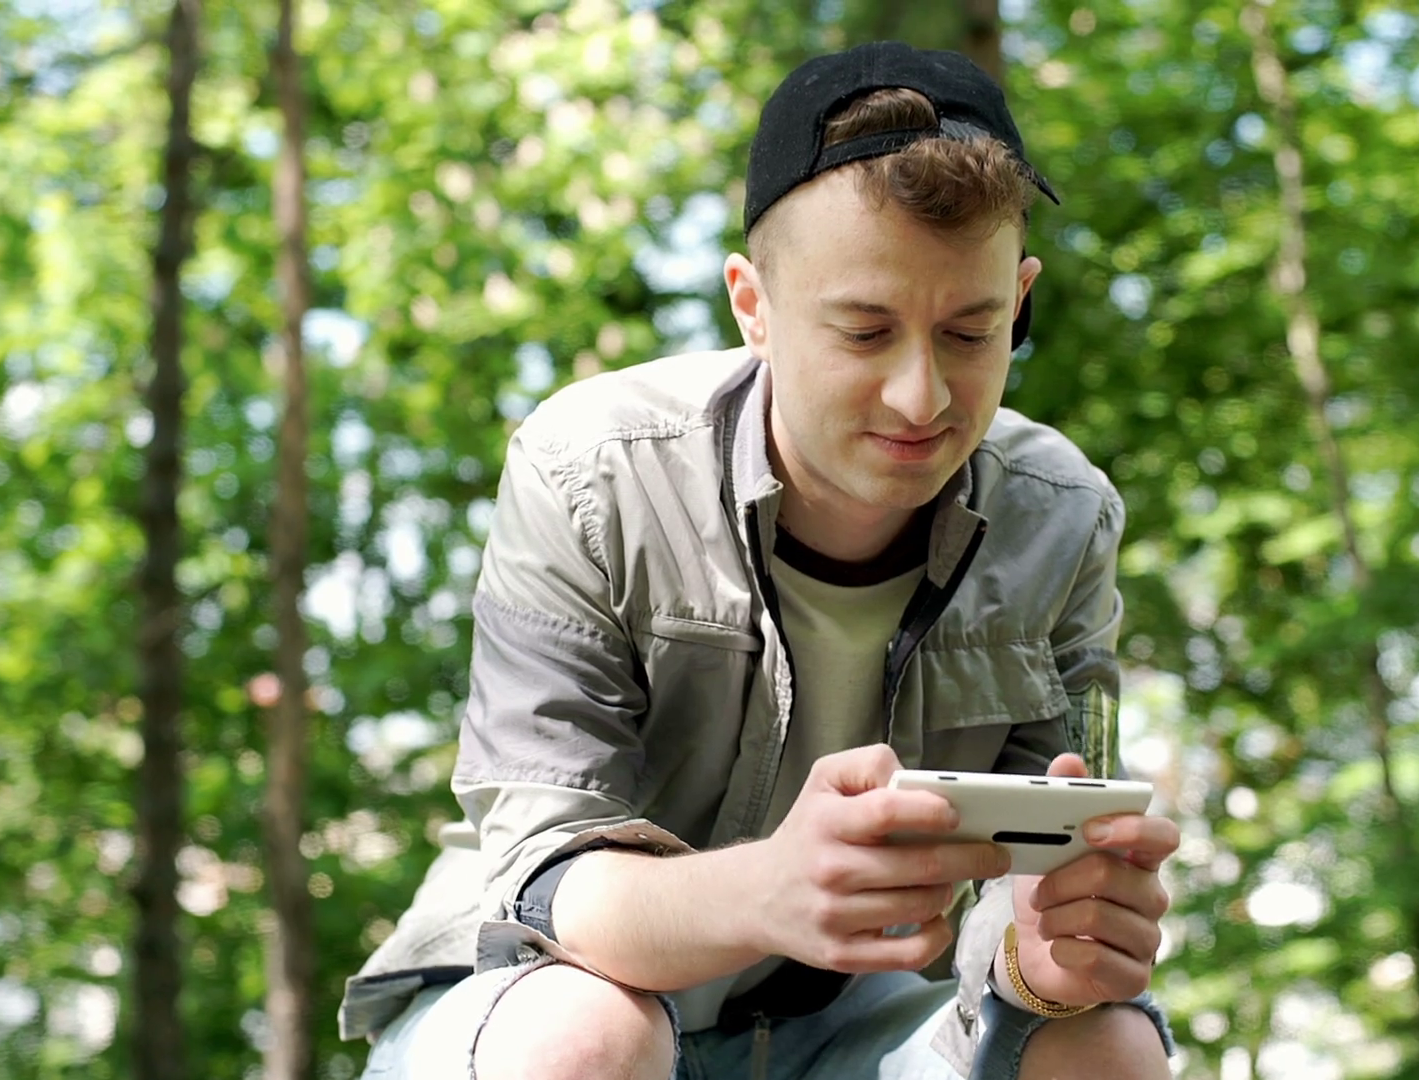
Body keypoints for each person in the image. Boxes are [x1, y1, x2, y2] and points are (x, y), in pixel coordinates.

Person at [342, 41, 1180, 1080]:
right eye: (864, 333)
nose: (921, 397)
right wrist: (768, 892)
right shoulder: (589, 471)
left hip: (848, 1021)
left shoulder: (1063, 518)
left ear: (1019, 300)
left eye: (971, 334)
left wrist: (1042, 957)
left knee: (1105, 1048)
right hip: (548, 987)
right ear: (752, 305)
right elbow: (544, 874)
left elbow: (1040, 863)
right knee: (584, 1044)